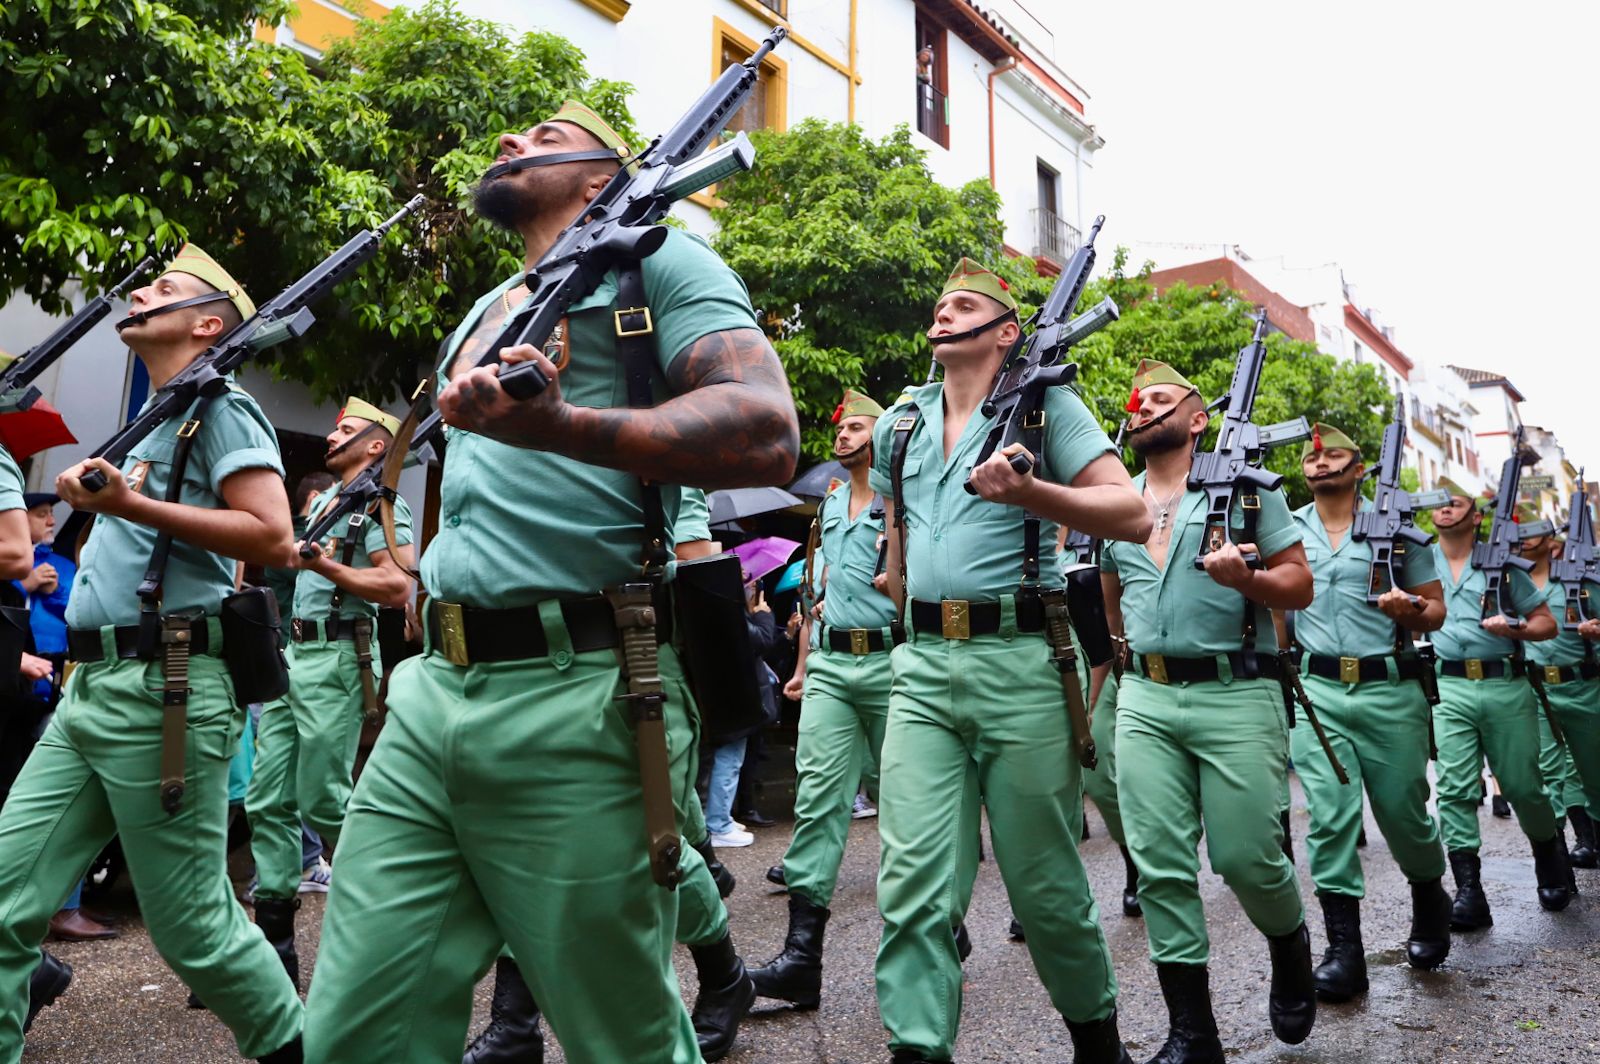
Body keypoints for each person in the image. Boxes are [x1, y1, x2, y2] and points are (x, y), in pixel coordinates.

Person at [302, 100, 798, 1063]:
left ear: (601, 176)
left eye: (541, 137)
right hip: (431, 698)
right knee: (357, 1027)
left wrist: (565, 425)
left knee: (623, 1036)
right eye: (510, 132)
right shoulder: (487, 308)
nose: (507, 141)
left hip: (580, 694)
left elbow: (766, 430)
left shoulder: (660, 265)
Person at [0, 245, 303, 1062]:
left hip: (163, 688)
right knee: (1, 904)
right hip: (95, 689)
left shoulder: (223, 408)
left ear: (208, 324)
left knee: (194, 929)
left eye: (163, 290)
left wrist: (130, 501)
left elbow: (274, 535)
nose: (140, 292)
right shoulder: (162, 417)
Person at [871, 258, 1149, 1063]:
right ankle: (917, 1047)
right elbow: (900, 535)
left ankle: (1097, 1040)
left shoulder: (1046, 407)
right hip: (921, 666)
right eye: (939, 303)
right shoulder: (902, 422)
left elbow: (1128, 512)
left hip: (1020, 665)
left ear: (1004, 332)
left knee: (1045, 887)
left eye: (966, 304)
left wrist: (1034, 494)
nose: (943, 311)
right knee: (912, 888)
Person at [1100, 360, 1316, 1062]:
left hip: (1236, 690)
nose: (1142, 408)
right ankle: (1193, 1033)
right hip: (1148, 697)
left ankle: (1289, 941)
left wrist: (1247, 576)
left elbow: (1299, 587)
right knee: (1160, 866)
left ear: (1198, 419)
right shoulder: (1114, 501)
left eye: (1162, 400)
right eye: (1137, 402)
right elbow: (1110, 601)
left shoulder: (1248, 493)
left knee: (1246, 856)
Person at [243, 398, 415, 988]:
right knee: (268, 801)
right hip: (294, 654)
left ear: (376, 446)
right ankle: (275, 951)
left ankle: (391, 916)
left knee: (323, 799)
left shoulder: (383, 505)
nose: (331, 435)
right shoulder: (324, 504)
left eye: (347, 429)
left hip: (341, 658)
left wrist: (329, 569)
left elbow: (397, 586)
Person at [1284, 424, 1452, 1003]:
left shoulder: (1400, 535)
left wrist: (1408, 607)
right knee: (1330, 817)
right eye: (1311, 455)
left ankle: (1430, 894)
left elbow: (1435, 612)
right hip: (1318, 688)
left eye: (1333, 453)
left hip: (1389, 687)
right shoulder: (1285, 528)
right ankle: (1344, 952)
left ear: (1360, 468)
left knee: (1404, 812)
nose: (1319, 461)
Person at [751, 388, 899, 1009]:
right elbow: (815, 596)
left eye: (857, 428)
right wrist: (804, 667)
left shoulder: (901, 505)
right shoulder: (830, 508)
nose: (842, 437)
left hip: (893, 660)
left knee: (909, 800)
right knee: (817, 800)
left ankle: (939, 922)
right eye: (840, 430)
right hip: (835, 664)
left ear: (881, 438)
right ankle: (801, 958)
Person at [1429, 482, 1572, 926]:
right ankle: (1469, 891)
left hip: (1504, 684)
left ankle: (1548, 852)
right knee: (1453, 789)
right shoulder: (1416, 560)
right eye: (1440, 503)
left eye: (1457, 502)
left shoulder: (1502, 567)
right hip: (1447, 685)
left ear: (1476, 517)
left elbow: (1546, 622)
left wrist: (1517, 630)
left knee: (1523, 785)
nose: (1446, 508)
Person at [1514, 518, 1600, 867]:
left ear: (1552, 540)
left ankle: (1593, 839)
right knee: (1548, 773)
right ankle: (1559, 861)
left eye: (1530, 529)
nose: (1522, 537)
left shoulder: (1579, 580)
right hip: (1535, 688)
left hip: (1584, 685)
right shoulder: (1507, 580)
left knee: (1592, 770)